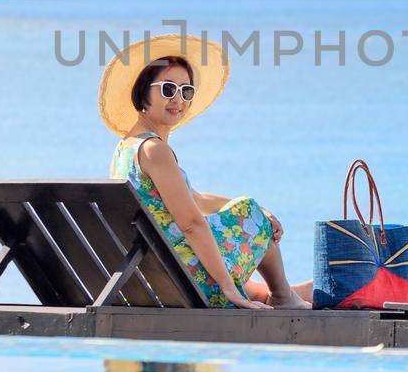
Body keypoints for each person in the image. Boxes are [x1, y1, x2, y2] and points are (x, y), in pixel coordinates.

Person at [102, 34, 310, 310]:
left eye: (186, 91)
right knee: (249, 212)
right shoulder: (155, 150)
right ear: (142, 91)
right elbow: (191, 223)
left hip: (154, 272)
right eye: (167, 89)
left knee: (250, 212)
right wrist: (227, 287)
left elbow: (194, 199)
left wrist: (256, 209)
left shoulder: (126, 148)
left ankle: (285, 293)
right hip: (182, 277)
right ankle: (284, 296)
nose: (178, 99)